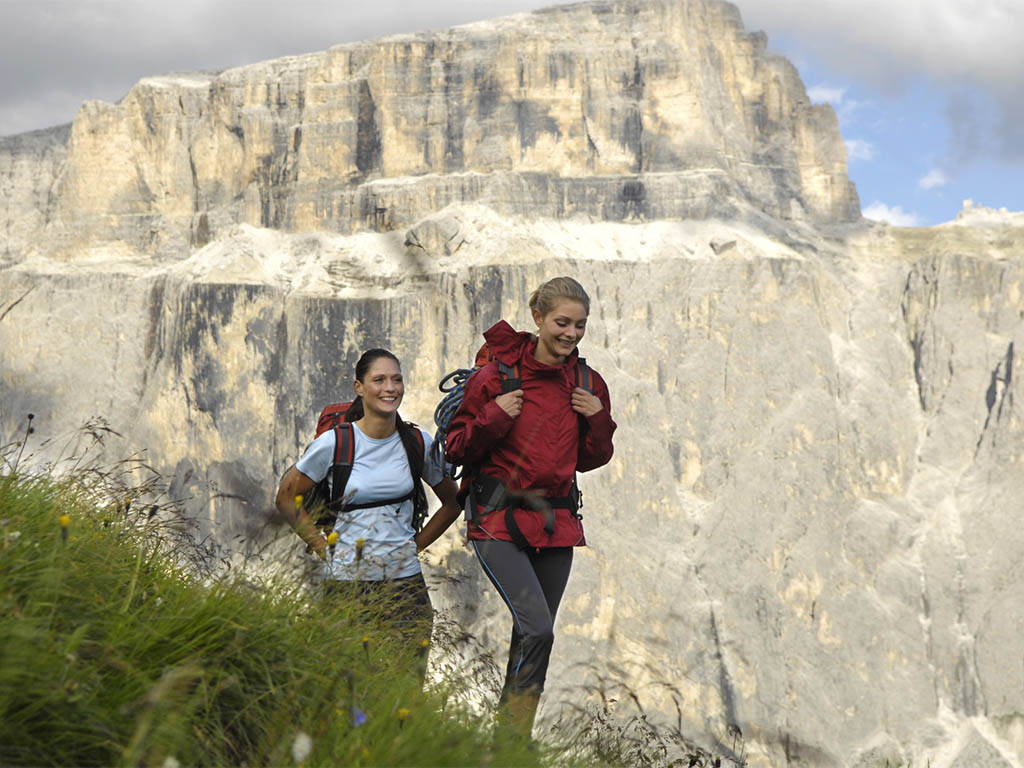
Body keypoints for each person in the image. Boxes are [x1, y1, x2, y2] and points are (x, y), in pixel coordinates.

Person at [445, 276, 616, 736]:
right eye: (562, 322)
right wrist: (496, 414)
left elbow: (592, 458)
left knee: (532, 638)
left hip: (555, 524)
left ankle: (511, 745)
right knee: (539, 629)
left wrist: (597, 418)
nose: (572, 334)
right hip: (497, 522)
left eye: (580, 325)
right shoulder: (495, 378)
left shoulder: (586, 382)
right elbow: (456, 448)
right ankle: (512, 741)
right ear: (538, 317)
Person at [276, 348, 461, 628]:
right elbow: (286, 498)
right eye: (379, 380)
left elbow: (454, 502)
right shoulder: (334, 444)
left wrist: (414, 547)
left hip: (406, 587)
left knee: (406, 673)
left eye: (396, 380)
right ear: (359, 388)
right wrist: (322, 547)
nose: (390, 388)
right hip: (347, 587)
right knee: (348, 672)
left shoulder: (417, 443)